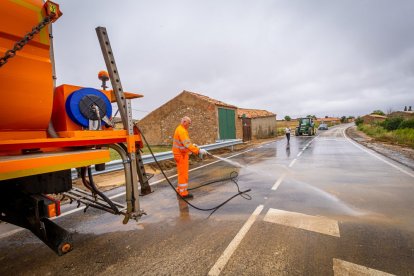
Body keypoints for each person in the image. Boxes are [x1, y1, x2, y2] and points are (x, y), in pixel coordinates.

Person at [172, 116, 207, 199]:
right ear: (184, 122)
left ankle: (180, 189)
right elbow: (187, 144)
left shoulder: (180, 129)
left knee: (181, 174)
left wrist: (193, 146)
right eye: (188, 124)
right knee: (183, 174)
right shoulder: (182, 131)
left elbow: (185, 143)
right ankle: (183, 193)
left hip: (180, 154)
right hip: (181, 156)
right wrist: (198, 151)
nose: (189, 126)